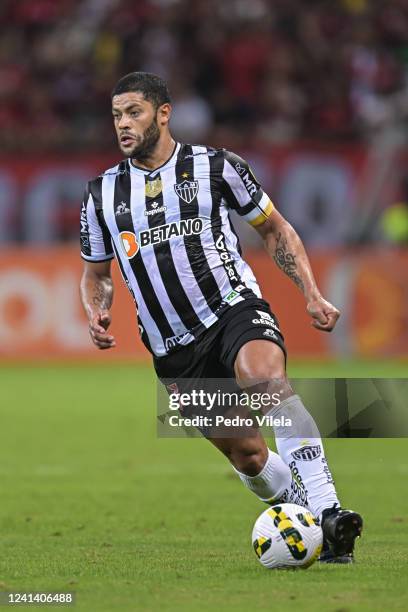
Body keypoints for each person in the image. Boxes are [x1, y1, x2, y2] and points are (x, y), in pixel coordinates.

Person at [79, 72, 363, 563]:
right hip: (173, 351)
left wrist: (311, 293)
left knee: (265, 381)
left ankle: (329, 511)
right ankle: (311, 523)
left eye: (133, 113)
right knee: (249, 457)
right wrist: (97, 305)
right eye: (116, 116)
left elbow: (273, 228)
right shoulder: (100, 195)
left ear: (163, 114)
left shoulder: (217, 167)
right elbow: (96, 272)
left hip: (233, 308)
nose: (123, 125)